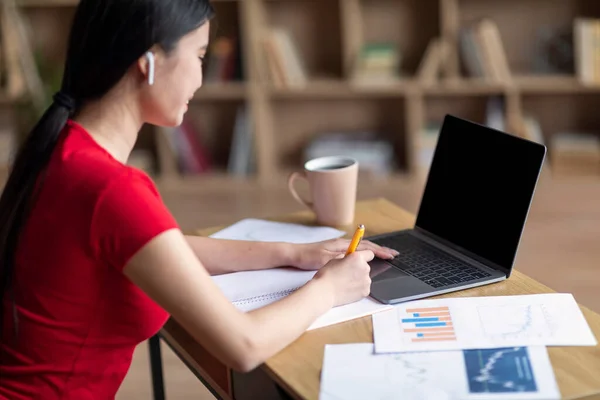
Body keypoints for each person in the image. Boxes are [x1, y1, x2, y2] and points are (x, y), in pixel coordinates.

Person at [0, 1, 398, 399]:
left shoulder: (64, 150)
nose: (201, 77)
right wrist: (330, 288)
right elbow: (244, 346)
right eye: (199, 55)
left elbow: (155, 247)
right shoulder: (111, 189)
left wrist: (292, 253)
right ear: (149, 60)